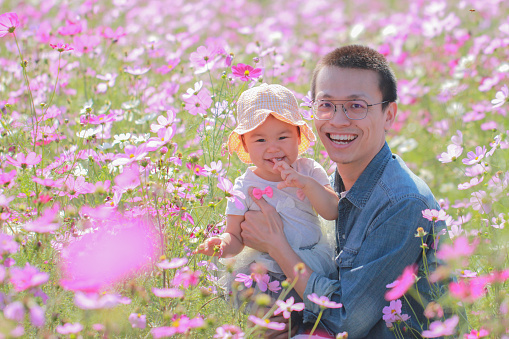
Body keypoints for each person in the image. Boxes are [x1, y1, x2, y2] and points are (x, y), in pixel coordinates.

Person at [240, 45, 446, 338]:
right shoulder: (325, 181)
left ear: (389, 114)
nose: (337, 120)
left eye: (356, 106)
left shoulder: (402, 202)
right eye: (325, 105)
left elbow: (345, 321)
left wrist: (276, 245)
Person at [196, 83, 339, 306]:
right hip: (265, 268)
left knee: (311, 315)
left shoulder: (308, 170)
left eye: (283, 137)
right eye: (260, 140)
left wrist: (306, 184)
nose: (273, 148)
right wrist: (222, 244)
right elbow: (235, 237)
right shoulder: (244, 186)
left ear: (298, 137)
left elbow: (332, 210)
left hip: (310, 262)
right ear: (245, 144)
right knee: (268, 317)